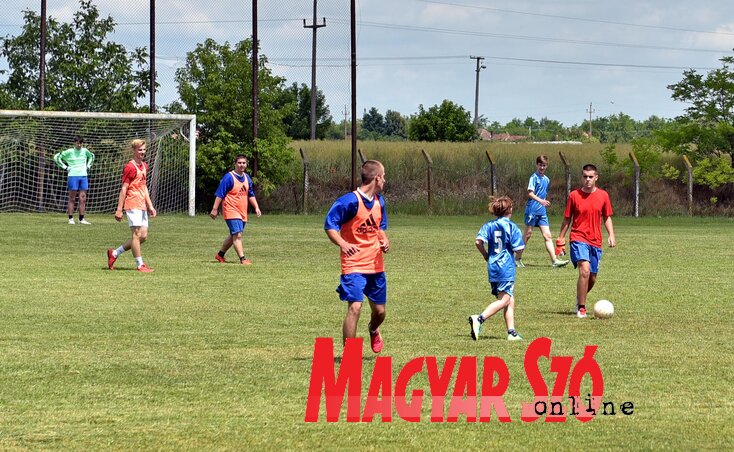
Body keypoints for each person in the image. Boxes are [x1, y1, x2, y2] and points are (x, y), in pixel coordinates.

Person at [325, 160, 390, 353]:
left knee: (380, 312)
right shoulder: (349, 201)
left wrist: (384, 240)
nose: (385, 180)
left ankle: (373, 328)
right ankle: (350, 354)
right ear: (377, 178)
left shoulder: (380, 202)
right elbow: (330, 226)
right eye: (384, 176)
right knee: (355, 307)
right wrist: (343, 244)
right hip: (353, 265)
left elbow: (380, 227)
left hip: (375, 265)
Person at [557, 164, 616, 318]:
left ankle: (579, 298)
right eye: (585, 177)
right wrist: (561, 238)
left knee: (592, 277)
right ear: (581, 177)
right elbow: (567, 218)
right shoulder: (574, 196)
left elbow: (607, 217)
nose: (588, 180)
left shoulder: (603, 195)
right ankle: (582, 307)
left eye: (591, 177)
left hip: (595, 240)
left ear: (596, 177)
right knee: (585, 270)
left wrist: (611, 234)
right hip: (578, 237)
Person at [468, 196, 524, 341]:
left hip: (493, 266)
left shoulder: (489, 225)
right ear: (509, 209)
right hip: (506, 267)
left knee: (509, 298)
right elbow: (519, 248)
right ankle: (479, 319)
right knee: (505, 300)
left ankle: (511, 332)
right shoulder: (512, 227)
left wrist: (486, 255)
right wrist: (517, 255)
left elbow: (478, 242)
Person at [106, 139, 157, 273]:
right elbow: (124, 189)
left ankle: (115, 253)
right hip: (132, 203)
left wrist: (150, 206)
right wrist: (119, 209)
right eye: (140, 150)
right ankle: (140, 264)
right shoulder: (130, 167)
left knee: (143, 236)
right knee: (135, 234)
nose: (142, 152)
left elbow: (144, 187)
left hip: (142, 204)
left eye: (144, 149)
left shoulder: (145, 166)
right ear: (134, 150)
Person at [514, 155, 569, 268]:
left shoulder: (547, 179)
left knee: (547, 236)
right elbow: (530, 193)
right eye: (540, 165)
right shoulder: (533, 178)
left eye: (544, 165)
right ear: (536, 165)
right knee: (528, 234)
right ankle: (517, 258)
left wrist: (543, 203)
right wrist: (541, 201)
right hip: (532, 209)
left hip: (542, 212)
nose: (542, 167)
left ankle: (554, 260)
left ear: (546, 166)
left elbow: (543, 193)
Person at [210, 154, 262, 265]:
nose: (241, 165)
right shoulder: (229, 177)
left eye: (244, 163)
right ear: (235, 164)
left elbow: (250, 194)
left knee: (234, 234)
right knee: (237, 235)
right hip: (231, 209)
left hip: (242, 211)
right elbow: (220, 194)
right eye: (239, 163)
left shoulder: (247, 178)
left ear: (246, 164)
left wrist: (256, 207)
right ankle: (243, 259)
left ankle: (220, 255)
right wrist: (215, 209)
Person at [53, 136, 95, 225]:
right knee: (72, 198)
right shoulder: (69, 151)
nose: (79, 145)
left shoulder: (85, 151)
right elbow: (56, 157)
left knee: (82, 199)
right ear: (74, 143)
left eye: (80, 143)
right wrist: (65, 167)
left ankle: (81, 219)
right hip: (73, 176)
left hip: (83, 176)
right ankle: (71, 219)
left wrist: (88, 166)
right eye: (77, 143)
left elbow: (92, 156)